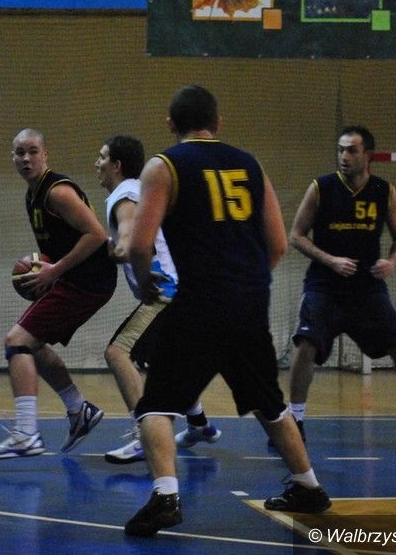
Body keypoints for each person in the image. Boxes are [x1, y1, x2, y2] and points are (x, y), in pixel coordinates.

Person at [124, 85, 331, 537]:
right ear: (217, 123)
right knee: (270, 404)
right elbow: (278, 244)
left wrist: (143, 282)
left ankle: (165, 497)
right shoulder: (250, 164)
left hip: (199, 304)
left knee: (155, 405)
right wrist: (245, 283)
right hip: (249, 302)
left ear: (170, 123)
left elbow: (139, 244)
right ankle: (309, 487)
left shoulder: (163, 166)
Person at [286, 125, 396, 445]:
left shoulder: (384, 191)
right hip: (324, 285)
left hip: (367, 289)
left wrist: (392, 261)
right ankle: (294, 420)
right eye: (340, 149)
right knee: (306, 345)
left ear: (368, 156)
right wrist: (330, 260)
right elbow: (296, 235)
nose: (344, 156)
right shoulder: (321, 187)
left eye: (351, 150)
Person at [0, 128, 117, 459]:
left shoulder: (57, 192)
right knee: (32, 345)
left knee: (16, 341)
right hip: (76, 279)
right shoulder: (33, 194)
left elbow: (96, 234)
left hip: (88, 281)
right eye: (19, 153)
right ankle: (79, 409)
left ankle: (27, 434)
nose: (26, 158)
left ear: (45, 155)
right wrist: (45, 268)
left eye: (32, 151)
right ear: (13, 157)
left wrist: (54, 271)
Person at [96, 134, 222, 464]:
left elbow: (129, 243)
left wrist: (114, 251)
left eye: (102, 157)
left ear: (117, 165)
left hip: (164, 292)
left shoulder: (123, 195)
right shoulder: (141, 190)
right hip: (181, 289)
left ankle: (144, 437)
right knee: (161, 361)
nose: (97, 163)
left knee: (118, 352)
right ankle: (199, 424)